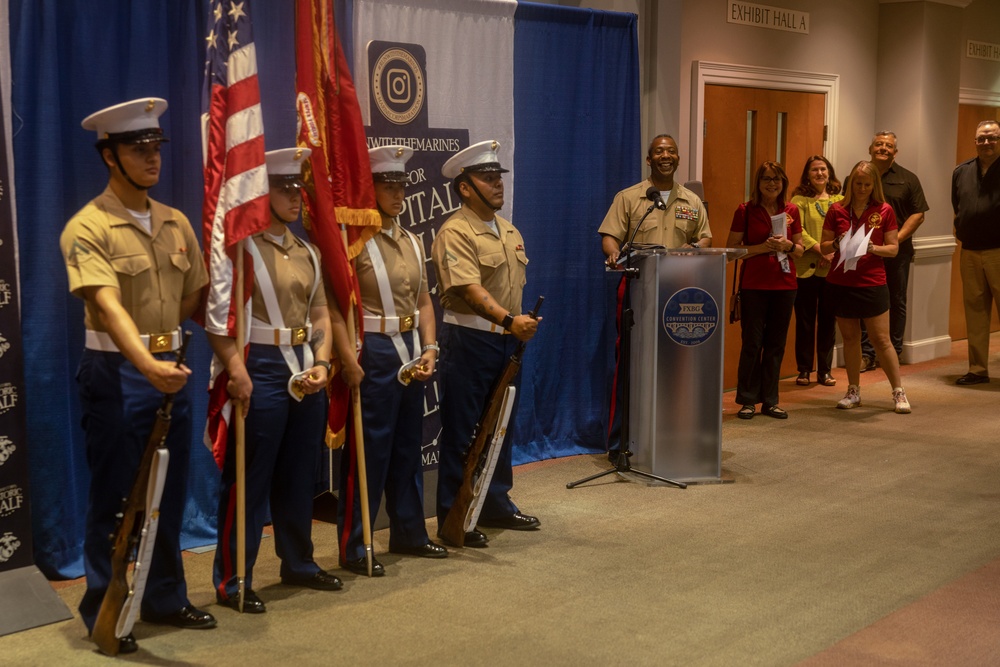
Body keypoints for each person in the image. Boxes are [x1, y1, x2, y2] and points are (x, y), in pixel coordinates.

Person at [59, 98, 215, 653]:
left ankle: (165, 596)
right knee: (116, 494)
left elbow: (195, 292)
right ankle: (105, 603)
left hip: (169, 365)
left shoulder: (175, 222)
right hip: (118, 371)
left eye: (156, 147)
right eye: (136, 148)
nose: (151, 158)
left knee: (167, 492)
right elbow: (107, 304)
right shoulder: (88, 227)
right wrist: (145, 363)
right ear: (109, 156)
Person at [209, 147, 342, 615]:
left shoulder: (307, 250)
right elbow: (217, 316)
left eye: (298, 188)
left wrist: (324, 362)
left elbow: (321, 310)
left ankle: (298, 562)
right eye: (283, 188)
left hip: (305, 364)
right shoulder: (240, 250)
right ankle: (232, 578)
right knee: (249, 477)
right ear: (260, 194)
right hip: (260, 365)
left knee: (298, 472)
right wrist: (236, 370)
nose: (295, 197)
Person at [336, 146, 447, 576]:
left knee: (408, 446)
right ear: (371, 188)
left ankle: (410, 532)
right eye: (389, 185)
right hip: (374, 348)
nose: (399, 193)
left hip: (410, 347)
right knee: (369, 451)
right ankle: (356, 543)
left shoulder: (413, 240)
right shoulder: (354, 240)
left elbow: (423, 300)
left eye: (403, 184)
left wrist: (430, 347)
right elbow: (339, 302)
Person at [431, 140, 540, 548]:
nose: (498, 184)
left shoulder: (509, 230)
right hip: (470, 340)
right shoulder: (455, 231)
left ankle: (495, 503)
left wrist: (517, 323)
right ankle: (454, 514)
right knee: (463, 432)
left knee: (500, 428)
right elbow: (471, 291)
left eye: (499, 178)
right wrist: (512, 321)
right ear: (464, 187)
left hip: (507, 342)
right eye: (488, 178)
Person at [598, 134, 712, 459]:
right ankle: (621, 442)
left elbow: (705, 239)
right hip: (638, 288)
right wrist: (612, 254)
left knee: (677, 366)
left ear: (678, 158)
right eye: (659, 151)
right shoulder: (630, 197)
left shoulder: (691, 201)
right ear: (649, 159)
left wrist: (694, 249)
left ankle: (672, 437)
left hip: (680, 292)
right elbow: (610, 237)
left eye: (671, 151)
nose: (666, 156)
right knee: (630, 365)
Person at [820, 161, 910, 413]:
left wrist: (872, 248)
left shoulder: (884, 210)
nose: (862, 188)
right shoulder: (837, 210)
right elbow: (823, 245)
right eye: (858, 183)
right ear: (851, 184)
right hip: (840, 282)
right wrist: (836, 244)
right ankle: (853, 391)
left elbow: (893, 249)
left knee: (882, 340)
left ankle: (898, 392)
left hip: (872, 282)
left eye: (867, 184)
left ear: (874, 186)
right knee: (850, 339)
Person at [726, 161, 804, 420]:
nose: (772, 184)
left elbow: (800, 249)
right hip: (754, 287)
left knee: (775, 345)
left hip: (785, 286)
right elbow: (732, 250)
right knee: (752, 343)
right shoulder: (745, 210)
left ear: (784, 183)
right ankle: (747, 399)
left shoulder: (792, 210)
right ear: (758, 183)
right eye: (767, 179)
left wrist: (788, 246)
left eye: (777, 179)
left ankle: (770, 400)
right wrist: (762, 247)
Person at [859, 132, 928, 371]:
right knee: (867, 300)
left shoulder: (908, 179)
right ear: (870, 148)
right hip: (864, 252)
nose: (883, 148)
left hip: (898, 253)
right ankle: (867, 354)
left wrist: (893, 243)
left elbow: (918, 214)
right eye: (879, 144)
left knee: (896, 300)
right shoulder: (857, 177)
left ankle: (893, 352)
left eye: (889, 146)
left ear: (895, 152)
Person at [952, 119, 1000, 385]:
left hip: (999, 251)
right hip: (969, 252)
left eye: (992, 138)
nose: (986, 143)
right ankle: (978, 369)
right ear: (975, 141)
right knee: (975, 312)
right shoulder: (961, 171)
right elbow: (957, 207)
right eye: (981, 138)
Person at [790, 156, 842, 387]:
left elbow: (843, 229)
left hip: (832, 268)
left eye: (823, 169)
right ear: (807, 174)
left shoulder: (840, 200)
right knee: (805, 322)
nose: (819, 173)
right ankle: (803, 370)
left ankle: (825, 370)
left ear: (829, 172)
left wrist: (829, 254)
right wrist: (821, 250)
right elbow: (798, 230)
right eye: (814, 170)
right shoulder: (799, 200)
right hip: (805, 268)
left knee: (828, 321)